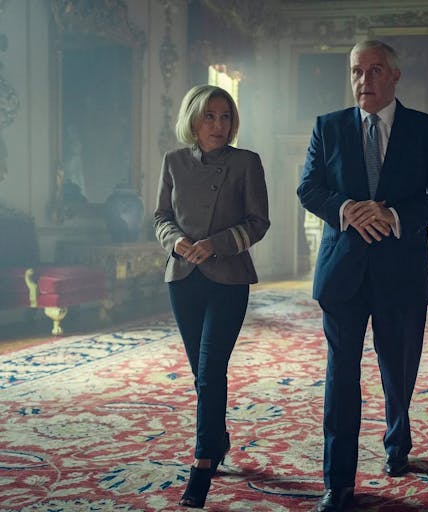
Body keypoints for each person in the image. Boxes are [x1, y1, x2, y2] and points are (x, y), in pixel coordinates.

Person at [297, 40, 428, 512]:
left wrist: (392, 215)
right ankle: (338, 482)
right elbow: (308, 187)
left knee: (398, 368)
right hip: (342, 272)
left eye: (373, 71)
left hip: (401, 271)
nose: (363, 81)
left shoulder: (427, 130)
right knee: (341, 375)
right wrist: (348, 209)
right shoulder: (327, 128)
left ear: (394, 75)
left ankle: (397, 442)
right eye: (356, 72)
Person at [154, 84, 270, 508]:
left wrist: (217, 244)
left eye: (225, 117)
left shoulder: (247, 163)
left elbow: (259, 222)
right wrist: (177, 242)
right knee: (201, 374)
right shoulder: (173, 161)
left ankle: (202, 463)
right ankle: (217, 435)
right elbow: (161, 217)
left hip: (228, 277)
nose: (218, 125)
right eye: (210, 116)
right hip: (183, 278)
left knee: (209, 370)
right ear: (193, 119)